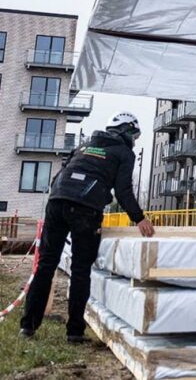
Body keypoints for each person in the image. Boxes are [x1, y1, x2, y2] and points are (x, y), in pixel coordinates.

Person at [21, 112, 155, 342]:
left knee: (46, 264)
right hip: (86, 209)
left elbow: (58, 177)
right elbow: (123, 191)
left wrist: (60, 198)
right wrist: (139, 218)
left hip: (57, 202)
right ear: (125, 131)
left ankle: (28, 326)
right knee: (81, 270)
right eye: (134, 133)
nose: (134, 139)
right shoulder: (124, 153)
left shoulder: (84, 146)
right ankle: (74, 332)